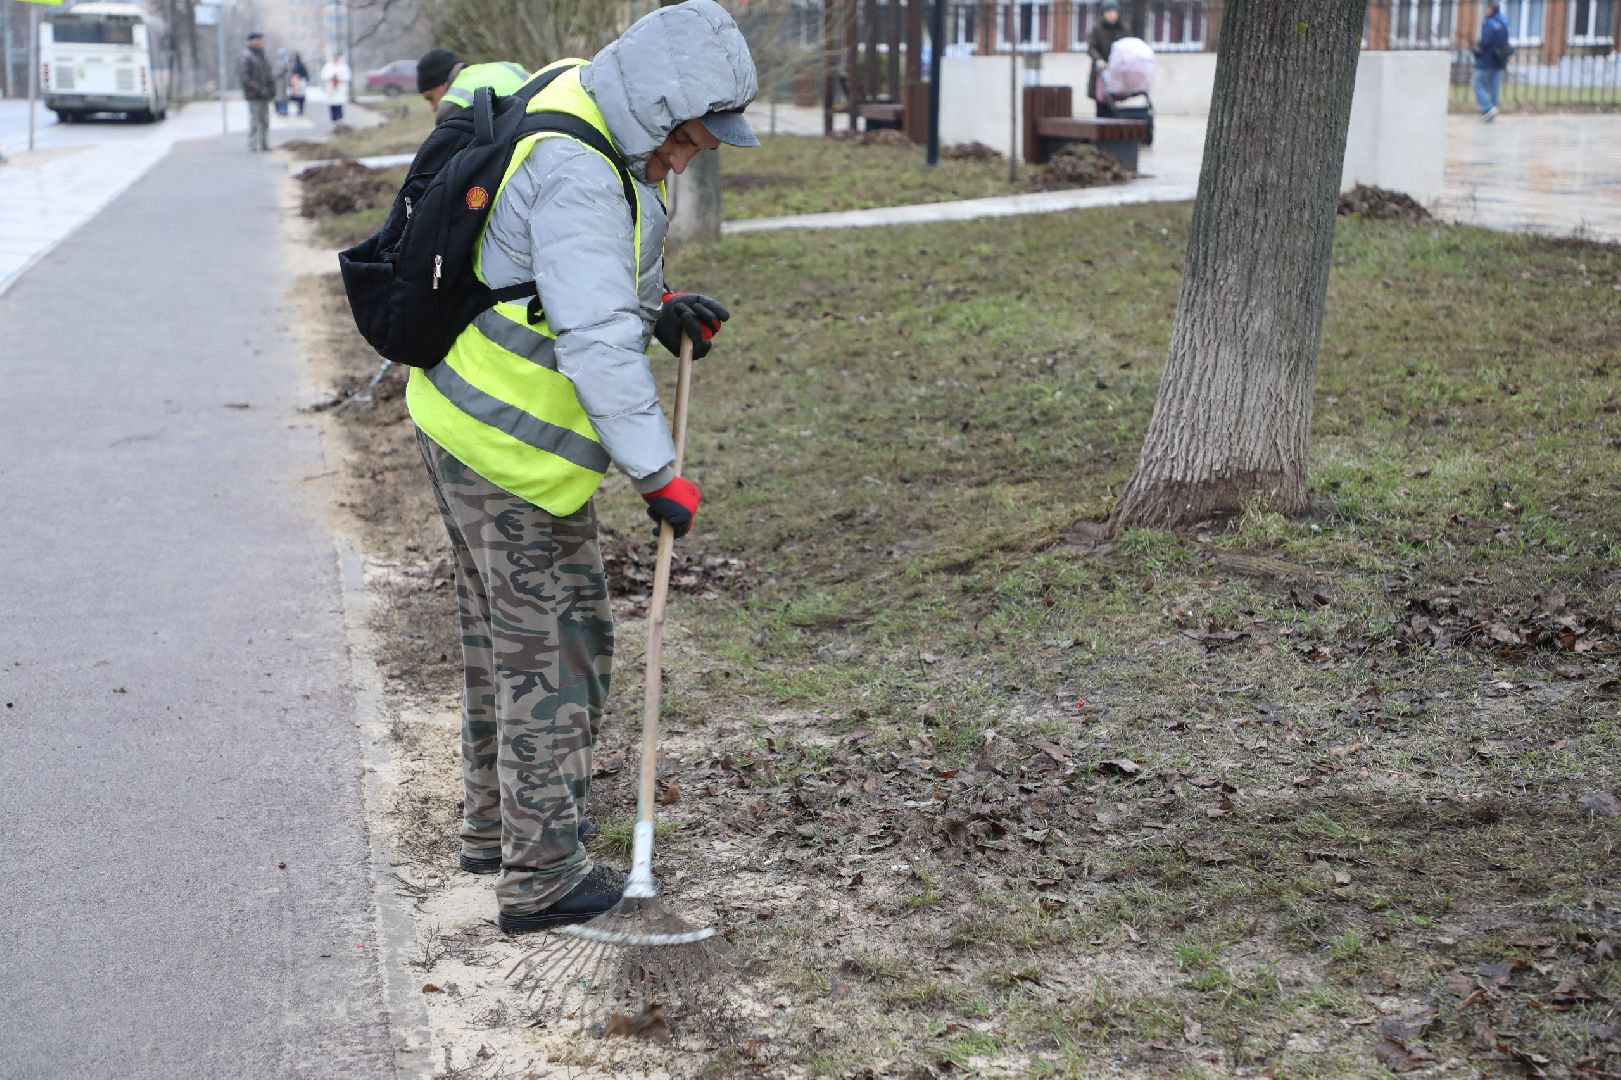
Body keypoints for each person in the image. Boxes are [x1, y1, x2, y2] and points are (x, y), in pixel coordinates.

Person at [405, 0, 757, 935]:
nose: (686, 159)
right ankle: (543, 878)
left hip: (455, 415)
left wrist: (662, 307)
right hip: (507, 450)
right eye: (686, 140)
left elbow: (566, 276)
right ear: (656, 108)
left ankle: (497, 830)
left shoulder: (579, 91)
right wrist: (657, 472)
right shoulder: (578, 167)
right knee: (559, 652)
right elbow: (594, 338)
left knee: (500, 643)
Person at [416, 48, 531, 125]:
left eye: (430, 98)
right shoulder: (509, 67)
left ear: (443, 83)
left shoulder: (451, 106)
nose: (433, 108)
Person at [1087, 0, 1132, 119]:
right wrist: (1099, 60)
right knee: (1101, 101)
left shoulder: (1125, 29)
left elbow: (1129, 46)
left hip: (1118, 71)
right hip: (1101, 71)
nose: (1111, 15)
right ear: (1103, 14)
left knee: (1115, 102)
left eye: (1114, 12)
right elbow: (1091, 48)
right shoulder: (1098, 29)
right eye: (1108, 12)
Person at [1473, 3, 1511, 122]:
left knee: (1476, 83)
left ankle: (1488, 108)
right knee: (1494, 85)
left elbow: (1486, 41)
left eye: (1487, 9)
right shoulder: (1503, 22)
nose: (1485, 11)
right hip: (1499, 59)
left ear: (1491, 9)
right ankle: (1492, 110)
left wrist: (1478, 49)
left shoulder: (1490, 23)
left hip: (1487, 59)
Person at [321, 52, 352, 124]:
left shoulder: (344, 66)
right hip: (330, 88)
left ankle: (340, 117)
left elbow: (348, 77)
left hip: (340, 87)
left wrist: (339, 78)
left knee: (339, 103)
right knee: (332, 103)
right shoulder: (327, 66)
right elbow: (323, 76)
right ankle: (333, 118)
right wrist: (331, 77)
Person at [287, 49, 310, 116]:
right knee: (295, 96)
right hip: (294, 82)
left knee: (300, 97)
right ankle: (298, 109)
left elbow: (305, 74)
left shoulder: (300, 64)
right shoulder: (291, 64)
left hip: (300, 82)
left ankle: (301, 109)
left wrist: (300, 78)